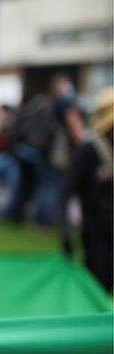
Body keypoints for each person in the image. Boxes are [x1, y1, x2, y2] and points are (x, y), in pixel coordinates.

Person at [60, 87, 113, 292]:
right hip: (96, 236)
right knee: (98, 290)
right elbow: (65, 193)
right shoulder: (88, 152)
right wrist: (64, 232)